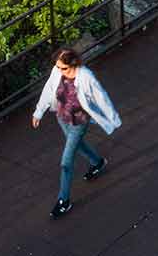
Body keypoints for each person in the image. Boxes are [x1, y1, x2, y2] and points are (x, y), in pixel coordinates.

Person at [30, 46, 119, 219]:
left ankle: (63, 201)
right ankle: (97, 162)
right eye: (57, 67)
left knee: (66, 162)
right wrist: (38, 112)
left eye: (62, 67)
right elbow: (49, 89)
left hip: (79, 122)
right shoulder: (57, 72)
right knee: (77, 146)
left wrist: (112, 118)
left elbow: (101, 96)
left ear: (73, 64)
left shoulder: (86, 77)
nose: (59, 70)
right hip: (62, 118)